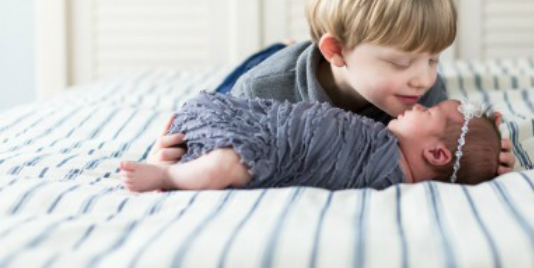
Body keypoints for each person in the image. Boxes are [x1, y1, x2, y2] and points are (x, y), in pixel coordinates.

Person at [147, 0, 515, 173]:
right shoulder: (265, 89)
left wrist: (483, 156)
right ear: (338, 50)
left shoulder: (421, 95)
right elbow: (212, 131)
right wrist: (171, 156)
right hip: (276, 68)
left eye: (434, 58)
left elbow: (449, 147)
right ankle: (281, 46)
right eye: (402, 62)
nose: (424, 78)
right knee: (220, 95)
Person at [121, 92, 502, 192]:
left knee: (227, 164)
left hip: (271, 151)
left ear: (436, 153)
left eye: (429, 110)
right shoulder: (392, 139)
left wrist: (486, 143)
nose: (419, 100)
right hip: (271, 126)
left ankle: (168, 178)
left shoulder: (386, 168)